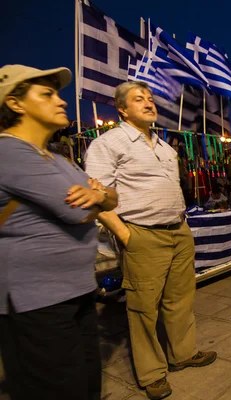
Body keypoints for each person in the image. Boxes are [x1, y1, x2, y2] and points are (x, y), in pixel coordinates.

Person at [85, 81, 217, 400]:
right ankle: (152, 373)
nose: (148, 103)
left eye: (150, 98)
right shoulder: (109, 143)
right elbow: (94, 196)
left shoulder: (164, 146)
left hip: (178, 231)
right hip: (142, 233)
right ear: (122, 109)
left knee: (180, 299)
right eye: (138, 99)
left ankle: (182, 354)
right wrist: (125, 234)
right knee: (144, 307)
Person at [0, 64, 118, 400]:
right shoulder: (8, 151)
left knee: (84, 385)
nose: (61, 101)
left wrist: (100, 195)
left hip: (74, 292)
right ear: (15, 103)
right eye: (47, 94)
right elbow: (75, 211)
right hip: (36, 301)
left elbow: (111, 196)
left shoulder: (56, 158)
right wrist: (98, 197)